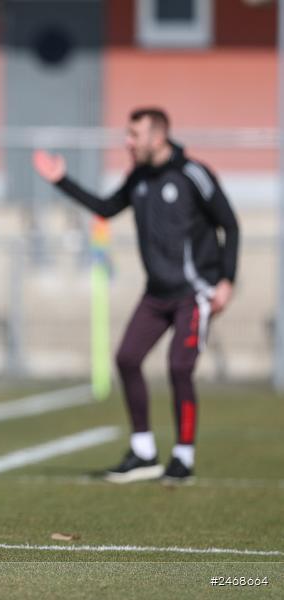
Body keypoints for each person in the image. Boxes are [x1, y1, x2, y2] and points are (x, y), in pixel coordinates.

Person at [32, 107, 239, 484]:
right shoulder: (139, 178)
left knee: (179, 367)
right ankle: (143, 452)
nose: (127, 142)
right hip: (156, 294)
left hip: (195, 292)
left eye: (134, 135)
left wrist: (227, 280)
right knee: (127, 358)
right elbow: (107, 208)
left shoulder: (194, 174)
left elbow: (230, 223)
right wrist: (62, 180)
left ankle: (183, 457)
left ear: (157, 137)